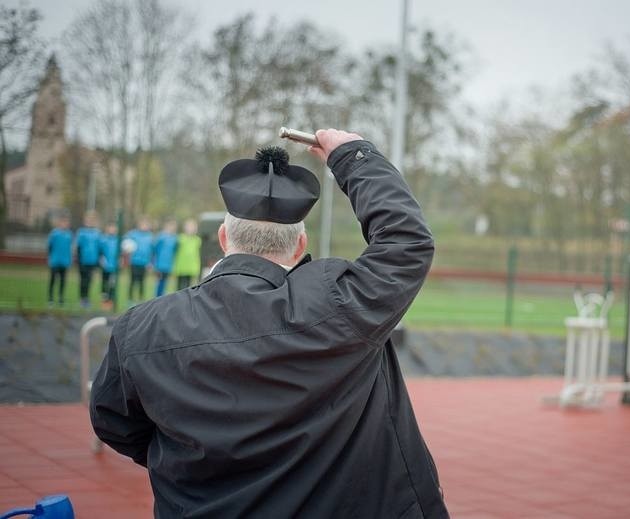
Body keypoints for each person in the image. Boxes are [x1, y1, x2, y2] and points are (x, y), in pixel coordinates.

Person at [90, 129, 448, 518]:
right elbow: (406, 240)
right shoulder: (344, 306)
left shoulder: (141, 328)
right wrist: (353, 156)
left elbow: (115, 422)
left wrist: (191, 460)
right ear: (299, 245)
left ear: (224, 238)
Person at [124, 217, 154, 305]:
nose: (144, 226)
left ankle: (141, 299)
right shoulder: (132, 234)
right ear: (139, 225)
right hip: (134, 262)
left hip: (144, 263)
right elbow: (125, 244)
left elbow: (152, 250)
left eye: (146, 225)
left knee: (142, 281)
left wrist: (151, 262)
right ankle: (130, 299)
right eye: (142, 224)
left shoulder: (150, 236)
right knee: (133, 280)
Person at [75, 211, 102, 308]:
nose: (90, 222)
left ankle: (87, 298)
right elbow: (78, 247)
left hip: (93, 261)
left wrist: (98, 261)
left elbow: (99, 248)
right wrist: (78, 259)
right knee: (83, 280)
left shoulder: (97, 233)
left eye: (92, 220)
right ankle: (82, 298)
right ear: (85, 221)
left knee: (90, 280)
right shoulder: (81, 232)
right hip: (83, 261)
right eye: (89, 220)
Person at [46, 214, 72, 307]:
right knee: (53, 281)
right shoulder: (54, 233)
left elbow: (70, 249)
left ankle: (61, 299)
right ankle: (50, 299)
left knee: (63, 281)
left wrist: (69, 260)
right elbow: (49, 247)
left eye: (66, 222)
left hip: (65, 262)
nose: (65, 224)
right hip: (55, 261)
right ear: (59, 223)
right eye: (63, 222)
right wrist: (50, 258)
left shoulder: (69, 234)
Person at [172, 218, 201, 290]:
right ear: (185, 228)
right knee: (180, 285)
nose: (191, 229)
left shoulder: (197, 240)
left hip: (191, 267)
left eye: (193, 227)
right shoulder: (180, 239)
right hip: (181, 266)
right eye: (189, 227)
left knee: (188, 286)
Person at [152, 220, 178, 297]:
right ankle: (157, 297)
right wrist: (154, 263)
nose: (172, 228)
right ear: (166, 226)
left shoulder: (174, 238)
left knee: (165, 282)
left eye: (173, 227)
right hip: (160, 265)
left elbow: (175, 251)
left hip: (168, 265)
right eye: (170, 226)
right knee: (159, 282)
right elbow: (155, 250)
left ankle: (161, 296)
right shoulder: (161, 237)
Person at [99, 222, 119, 309]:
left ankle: (111, 301)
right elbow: (100, 252)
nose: (112, 230)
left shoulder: (118, 240)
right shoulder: (103, 239)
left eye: (114, 228)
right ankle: (104, 300)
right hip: (105, 266)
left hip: (114, 267)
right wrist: (102, 260)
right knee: (104, 283)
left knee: (112, 284)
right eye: (111, 228)